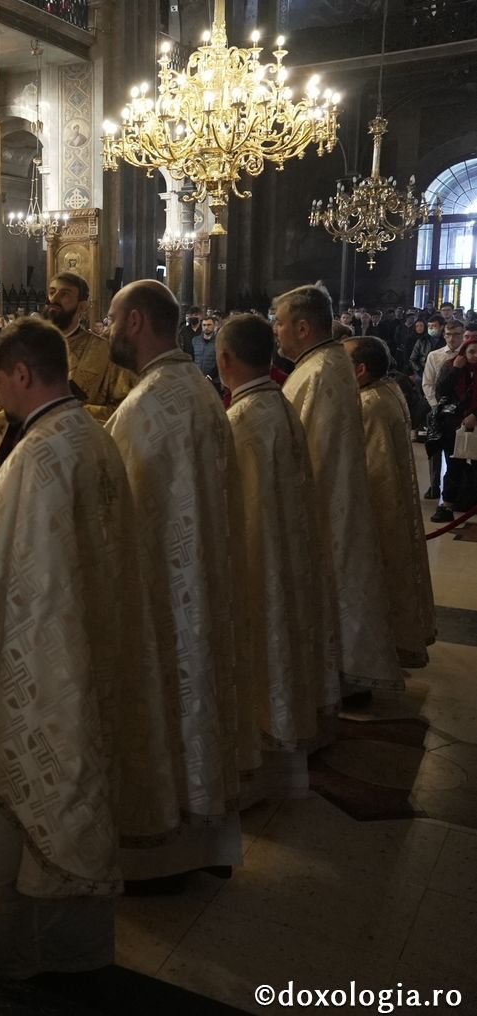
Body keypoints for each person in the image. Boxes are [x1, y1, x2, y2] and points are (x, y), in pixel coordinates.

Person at [0, 317, 177, 979]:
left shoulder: (37, 457)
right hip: (80, 652)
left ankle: (7, 944)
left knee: (14, 796)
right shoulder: (91, 434)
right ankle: (66, 947)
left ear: (23, 375)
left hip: (28, 659)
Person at [105, 280, 245, 879]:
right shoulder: (199, 390)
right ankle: (206, 838)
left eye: (113, 319)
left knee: (163, 710)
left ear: (135, 322)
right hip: (203, 588)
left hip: (160, 599)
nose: (107, 330)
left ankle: (162, 855)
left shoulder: (147, 408)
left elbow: (115, 519)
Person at [217, 315, 335, 800]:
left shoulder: (243, 420)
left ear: (224, 360)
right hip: (285, 563)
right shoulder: (280, 407)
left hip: (253, 572)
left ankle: (260, 762)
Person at [274, 285, 398, 699]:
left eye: (281, 323)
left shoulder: (319, 371)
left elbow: (305, 449)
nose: (276, 331)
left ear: (303, 327)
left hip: (325, 509)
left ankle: (336, 675)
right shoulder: (325, 362)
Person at [347, 335, 437, 669]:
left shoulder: (368, 405)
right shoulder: (388, 390)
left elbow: (365, 469)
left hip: (376, 515)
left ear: (359, 370)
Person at [0, 272, 133, 460]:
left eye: (65, 294)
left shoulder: (105, 352)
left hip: (81, 457)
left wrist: (75, 410)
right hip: (28, 454)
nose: (54, 299)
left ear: (82, 306)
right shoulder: (23, 346)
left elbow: (125, 411)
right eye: (52, 292)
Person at [423, 317, 465, 507]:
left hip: (462, 411)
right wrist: (436, 406)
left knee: (455, 453)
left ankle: (459, 490)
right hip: (439, 409)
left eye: (456, 335)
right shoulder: (435, 355)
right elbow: (428, 383)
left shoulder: (469, 354)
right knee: (434, 450)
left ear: (463, 335)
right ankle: (433, 486)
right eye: (448, 334)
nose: (452, 339)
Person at [434, 337, 477, 520]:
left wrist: (475, 415)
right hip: (454, 423)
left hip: (474, 421)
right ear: (464, 353)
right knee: (454, 465)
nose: (475, 355)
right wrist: (456, 370)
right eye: (471, 352)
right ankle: (448, 506)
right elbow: (442, 391)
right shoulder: (452, 367)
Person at [191, 314, 221, 386]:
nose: (206, 327)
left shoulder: (219, 341)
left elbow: (220, 361)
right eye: (204, 325)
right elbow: (192, 358)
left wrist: (210, 376)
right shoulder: (195, 340)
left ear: (214, 326)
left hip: (214, 381)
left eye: (209, 325)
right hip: (197, 379)